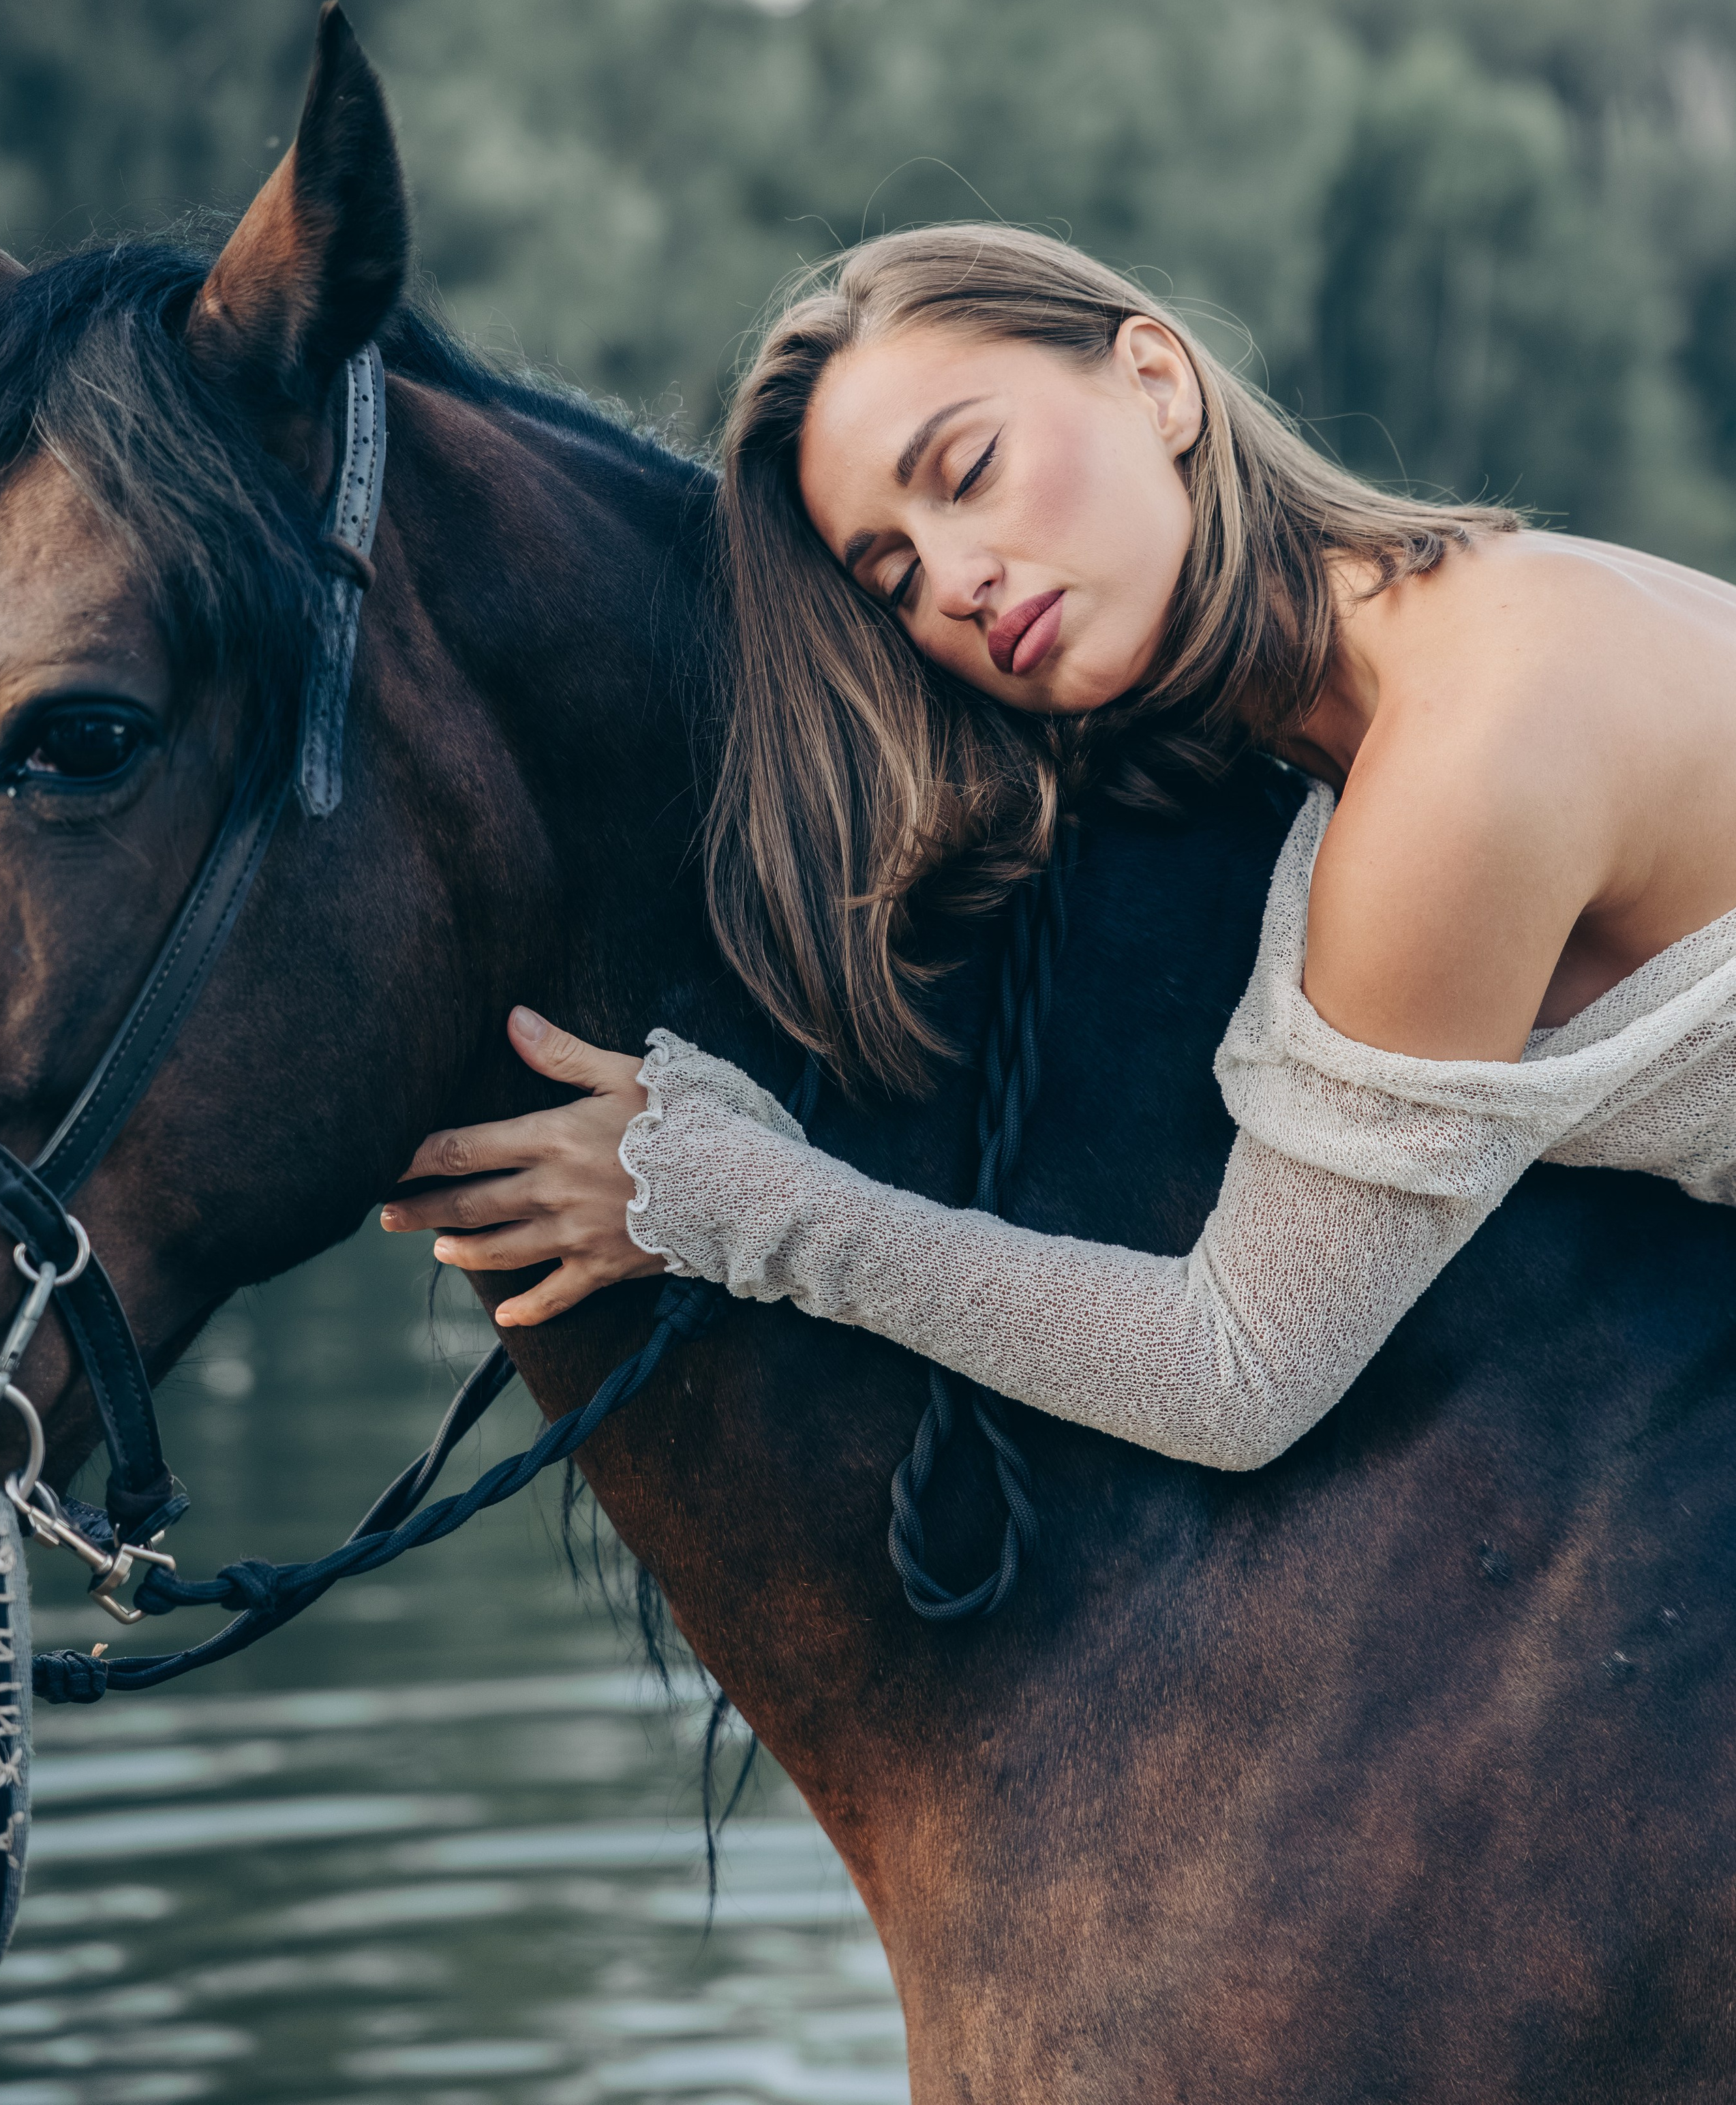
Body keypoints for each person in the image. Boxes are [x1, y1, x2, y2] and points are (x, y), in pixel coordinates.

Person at [380, 226, 1736, 1469]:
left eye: (966, 472)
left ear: (1155, 380)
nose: (955, 581)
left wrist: (734, 1203)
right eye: (895, 577)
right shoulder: (1460, 616)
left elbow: (1237, 1370)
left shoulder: (1466, 753)